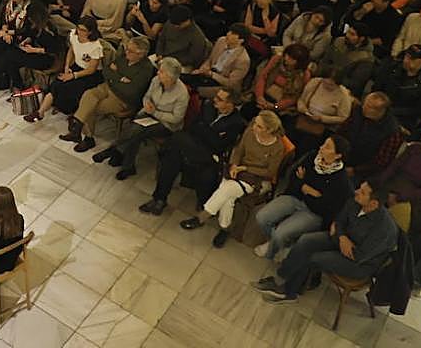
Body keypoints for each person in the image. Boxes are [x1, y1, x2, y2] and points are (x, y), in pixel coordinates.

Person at [257, 180, 398, 304]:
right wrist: (342, 237)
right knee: (306, 241)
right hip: (341, 241)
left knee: (312, 258)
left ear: (373, 203)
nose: (356, 192)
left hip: (358, 263)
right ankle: (281, 279)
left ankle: (289, 292)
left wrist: (339, 234)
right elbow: (339, 221)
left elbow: (359, 255)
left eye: (362, 192)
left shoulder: (384, 229)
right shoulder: (354, 202)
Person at [179, 111, 290, 247]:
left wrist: (244, 169)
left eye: (259, 126)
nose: (254, 127)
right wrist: (235, 164)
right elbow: (239, 150)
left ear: (269, 130)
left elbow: (270, 172)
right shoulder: (250, 133)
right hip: (237, 171)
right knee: (228, 197)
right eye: (255, 123)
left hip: (256, 178)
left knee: (226, 189)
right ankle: (225, 228)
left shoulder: (277, 147)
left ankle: (201, 217)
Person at [139, 88, 246, 215]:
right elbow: (193, 126)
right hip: (192, 145)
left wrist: (204, 129)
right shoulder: (208, 106)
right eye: (216, 96)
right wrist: (210, 133)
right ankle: (159, 199)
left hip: (209, 155)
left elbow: (219, 145)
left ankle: (159, 198)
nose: (214, 100)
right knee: (172, 157)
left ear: (230, 104)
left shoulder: (236, 122)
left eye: (219, 99)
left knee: (177, 138)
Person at [253, 135, 352, 260]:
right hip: (295, 196)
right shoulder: (312, 157)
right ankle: (277, 243)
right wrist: (306, 188)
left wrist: (304, 185)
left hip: (313, 213)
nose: (321, 148)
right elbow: (293, 177)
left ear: (338, 155)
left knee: (281, 233)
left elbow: (325, 207)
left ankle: (273, 249)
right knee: (262, 217)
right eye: (324, 144)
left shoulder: (341, 181)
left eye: (327, 147)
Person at [95, 57, 190, 179]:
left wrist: (155, 112)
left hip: (166, 124)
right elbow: (147, 96)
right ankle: (126, 165)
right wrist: (147, 104)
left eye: (161, 72)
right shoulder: (156, 81)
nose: (157, 73)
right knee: (135, 130)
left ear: (169, 77)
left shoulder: (182, 94)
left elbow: (176, 118)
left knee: (136, 129)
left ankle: (115, 150)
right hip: (149, 114)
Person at [61, 35, 155, 153]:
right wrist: (120, 78)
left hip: (122, 99)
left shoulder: (146, 68)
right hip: (106, 87)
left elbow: (130, 90)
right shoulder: (124, 57)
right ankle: (77, 129)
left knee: (91, 108)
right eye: (127, 49)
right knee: (88, 95)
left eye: (130, 51)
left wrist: (115, 75)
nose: (126, 52)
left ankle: (86, 136)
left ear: (141, 54)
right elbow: (106, 71)